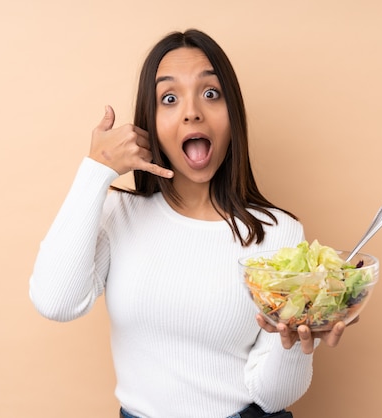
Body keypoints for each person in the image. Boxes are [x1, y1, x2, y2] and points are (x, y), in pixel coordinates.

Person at [29, 29, 349, 418]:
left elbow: (272, 396)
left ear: (233, 115)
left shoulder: (279, 232)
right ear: (150, 123)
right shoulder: (120, 214)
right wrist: (95, 171)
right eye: (169, 98)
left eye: (211, 93)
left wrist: (297, 342)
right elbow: (56, 301)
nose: (192, 111)